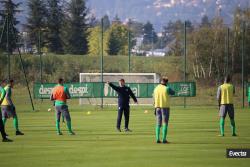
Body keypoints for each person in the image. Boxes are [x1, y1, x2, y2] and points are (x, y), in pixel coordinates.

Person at [153, 77, 175, 144]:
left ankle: (157, 139)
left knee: (158, 123)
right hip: (165, 107)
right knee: (165, 123)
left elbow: (153, 97)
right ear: (166, 82)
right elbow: (173, 92)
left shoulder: (156, 88)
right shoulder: (167, 88)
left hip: (157, 107)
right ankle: (164, 139)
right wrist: (168, 87)